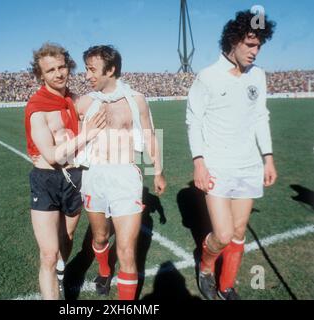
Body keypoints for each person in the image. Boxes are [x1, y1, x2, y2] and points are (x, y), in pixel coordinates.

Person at [186, 10, 277, 300]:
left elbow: (261, 116)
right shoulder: (208, 77)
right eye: (250, 44)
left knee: (238, 233)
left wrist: (268, 157)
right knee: (222, 235)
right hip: (217, 166)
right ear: (233, 40)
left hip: (248, 166)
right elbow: (194, 120)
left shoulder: (258, 76)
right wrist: (198, 162)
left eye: (259, 45)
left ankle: (226, 285)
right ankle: (207, 267)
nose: (255, 51)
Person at [75, 45, 167, 300]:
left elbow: (150, 136)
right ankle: (104, 270)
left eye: (92, 69)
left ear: (111, 69)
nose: (87, 75)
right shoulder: (85, 102)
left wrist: (157, 171)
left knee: (127, 251)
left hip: (125, 176)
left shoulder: (135, 99)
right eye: (86, 69)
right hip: (94, 175)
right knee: (101, 237)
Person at [25, 43, 106, 300]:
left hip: (74, 178)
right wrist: (86, 134)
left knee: (68, 236)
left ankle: (62, 269)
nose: (59, 73)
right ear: (41, 75)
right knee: (48, 253)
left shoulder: (72, 100)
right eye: (50, 70)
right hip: (46, 180)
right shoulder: (37, 108)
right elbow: (51, 155)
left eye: (62, 67)